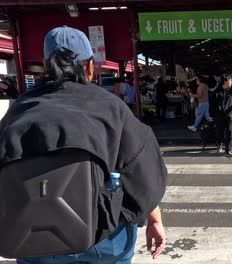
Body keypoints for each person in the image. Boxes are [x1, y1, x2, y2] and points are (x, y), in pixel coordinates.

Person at [0, 26, 167, 263]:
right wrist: (154, 220)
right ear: (89, 67)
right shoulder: (111, 108)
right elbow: (141, 172)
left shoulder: (19, 109)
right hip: (104, 234)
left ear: (47, 66)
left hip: (33, 238)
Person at [211, 75, 232, 158]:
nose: (231, 82)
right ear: (225, 82)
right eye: (230, 81)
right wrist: (212, 115)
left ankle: (228, 150)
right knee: (220, 131)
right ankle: (219, 143)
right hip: (220, 115)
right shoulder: (218, 92)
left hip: (230, 115)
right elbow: (214, 104)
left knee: (230, 132)